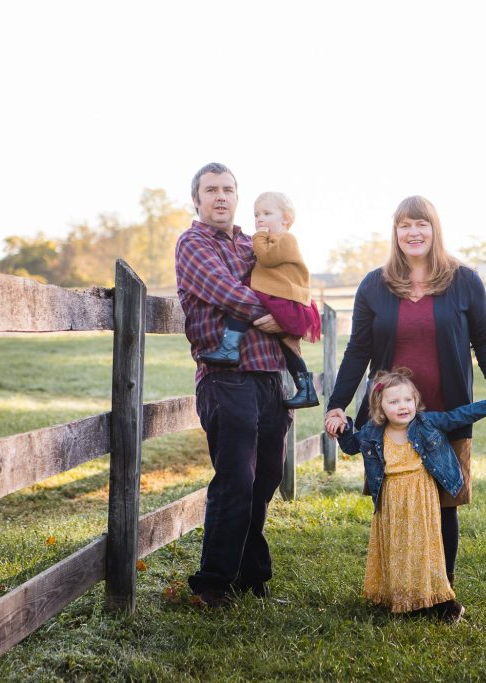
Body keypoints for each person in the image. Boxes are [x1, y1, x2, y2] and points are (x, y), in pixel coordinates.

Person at [323, 195, 486, 605]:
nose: (414, 232)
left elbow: (485, 340)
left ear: (435, 229)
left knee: (444, 503)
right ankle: (399, 586)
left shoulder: (464, 280)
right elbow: (357, 351)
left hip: (446, 410)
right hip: (391, 418)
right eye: (405, 225)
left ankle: (441, 593)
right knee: (396, 503)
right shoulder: (374, 286)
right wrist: (337, 404)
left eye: (421, 224)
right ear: (395, 232)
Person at [174, 162, 292, 607]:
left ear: (237, 196)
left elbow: (288, 279)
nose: (220, 197)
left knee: (265, 479)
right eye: (211, 190)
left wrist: (289, 306)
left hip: (268, 376)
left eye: (227, 189)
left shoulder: (253, 244)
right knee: (237, 480)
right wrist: (282, 313)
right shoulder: (192, 243)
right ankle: (212, 583)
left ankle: (250, 576)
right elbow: (222, 290)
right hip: (225, 378)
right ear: (197, 199)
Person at [334, 368, 486, 622]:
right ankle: (402, 597)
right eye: (393, 402)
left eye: (408, 400)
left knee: (424, 549)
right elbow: (351, 445)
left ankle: (434, 597)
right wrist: (343, 427)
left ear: (416, 402)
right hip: (392, 504)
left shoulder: (427, 423)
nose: (403, 406)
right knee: (397, 548)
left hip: (421, 500)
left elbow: (461, 415)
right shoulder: (373, 432)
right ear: (380, 408)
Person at [199, 191, 321, 408]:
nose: (260, 219)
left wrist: (258, 237)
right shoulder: (272, 239)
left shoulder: (286, 239)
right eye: (256, 215)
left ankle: (229, 348)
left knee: (241, 304)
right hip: (274, 292)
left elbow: (266, 257)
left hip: (282, 295)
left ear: (285, 219)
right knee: (285, 345)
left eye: (267, 213)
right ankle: (305, 387)